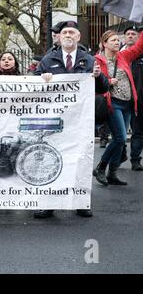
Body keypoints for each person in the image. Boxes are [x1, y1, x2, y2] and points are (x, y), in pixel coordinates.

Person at [34, 20, 109, 219]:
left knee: (80, 161)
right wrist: (42, 78)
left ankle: (80, 202)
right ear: (59, 37)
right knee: (51, 161)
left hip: (80, 122)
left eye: (71, 32)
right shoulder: (48, 60)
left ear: (78, 37)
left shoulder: (89, 60)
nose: (68, 35)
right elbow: (33, 86)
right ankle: (48, 203)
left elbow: (103, 89)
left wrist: (99, 76)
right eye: (64, 32)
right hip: (54, 122)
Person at [93, 27, 143, 186]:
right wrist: (107, 80)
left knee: (119, 140)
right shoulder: (97, 60)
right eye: (113, 40)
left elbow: (139, 47)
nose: (117, 42)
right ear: (104, 43)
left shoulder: (124, 56)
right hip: (112, 103)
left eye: (117, 40)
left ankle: (112, 173)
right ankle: (101, 167)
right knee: (121, 137)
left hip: (127, 103)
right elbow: (94, 81)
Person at [121, 25, 143, 171]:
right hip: (120, 99)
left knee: (138, 131)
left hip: (138, 99)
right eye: (127, 34)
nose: (130, 36)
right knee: (119, 131)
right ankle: (120, 153)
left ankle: (135, 160)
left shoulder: (140, 55)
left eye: (133, 34)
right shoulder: (117, 52)